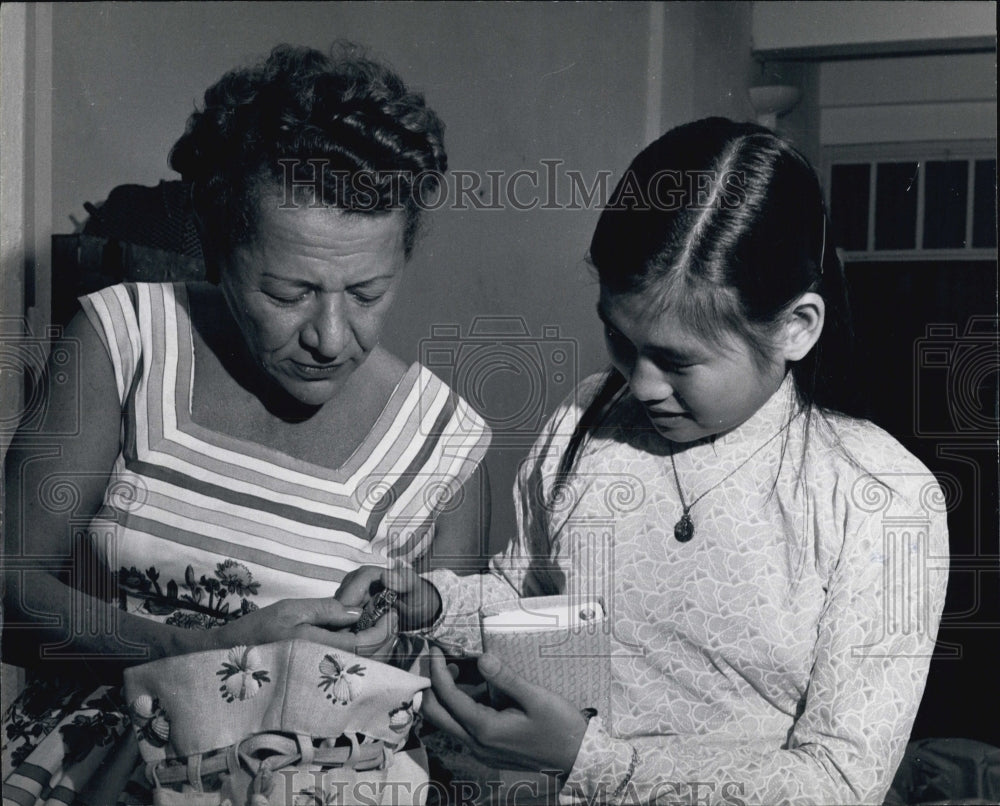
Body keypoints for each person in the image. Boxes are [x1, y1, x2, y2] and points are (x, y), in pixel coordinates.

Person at [340, 118, 950, 805]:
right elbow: (535, 606)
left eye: (678, 360)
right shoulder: (586, 420)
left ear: (795, 328)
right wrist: (437, 602)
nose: (641, 383)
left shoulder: (883, 496)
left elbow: (841, 782)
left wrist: (593, 763)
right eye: (620, 339)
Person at [1, 44, 490, 805]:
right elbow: (9, 589)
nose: (330, 335)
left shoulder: (444, 445)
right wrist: (202, 651)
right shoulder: (122, 339)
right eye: (289, 290)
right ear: (218, 249)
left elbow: (444, 702)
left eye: (367, 291)